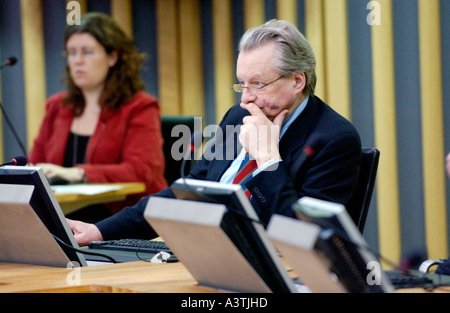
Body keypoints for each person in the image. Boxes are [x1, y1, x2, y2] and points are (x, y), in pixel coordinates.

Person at [68, 19, 362, 243]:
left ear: (297, 81)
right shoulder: (237, 117)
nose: (245, 98)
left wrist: (269, 161)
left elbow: (304, 237)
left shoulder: (333, 139)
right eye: (241, 84)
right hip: (206, 251)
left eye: (257, 85)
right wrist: (99, 231)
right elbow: (187, 193)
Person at [29, 13, 167, 220]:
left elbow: (141, 171)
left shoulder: (140, 107)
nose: (78, 61)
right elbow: (36, 166)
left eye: (87, 52)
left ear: (112, 57)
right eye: (72, 53)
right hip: (64, 217)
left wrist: (77, 173)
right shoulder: (57, 107)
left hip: (124, 219)